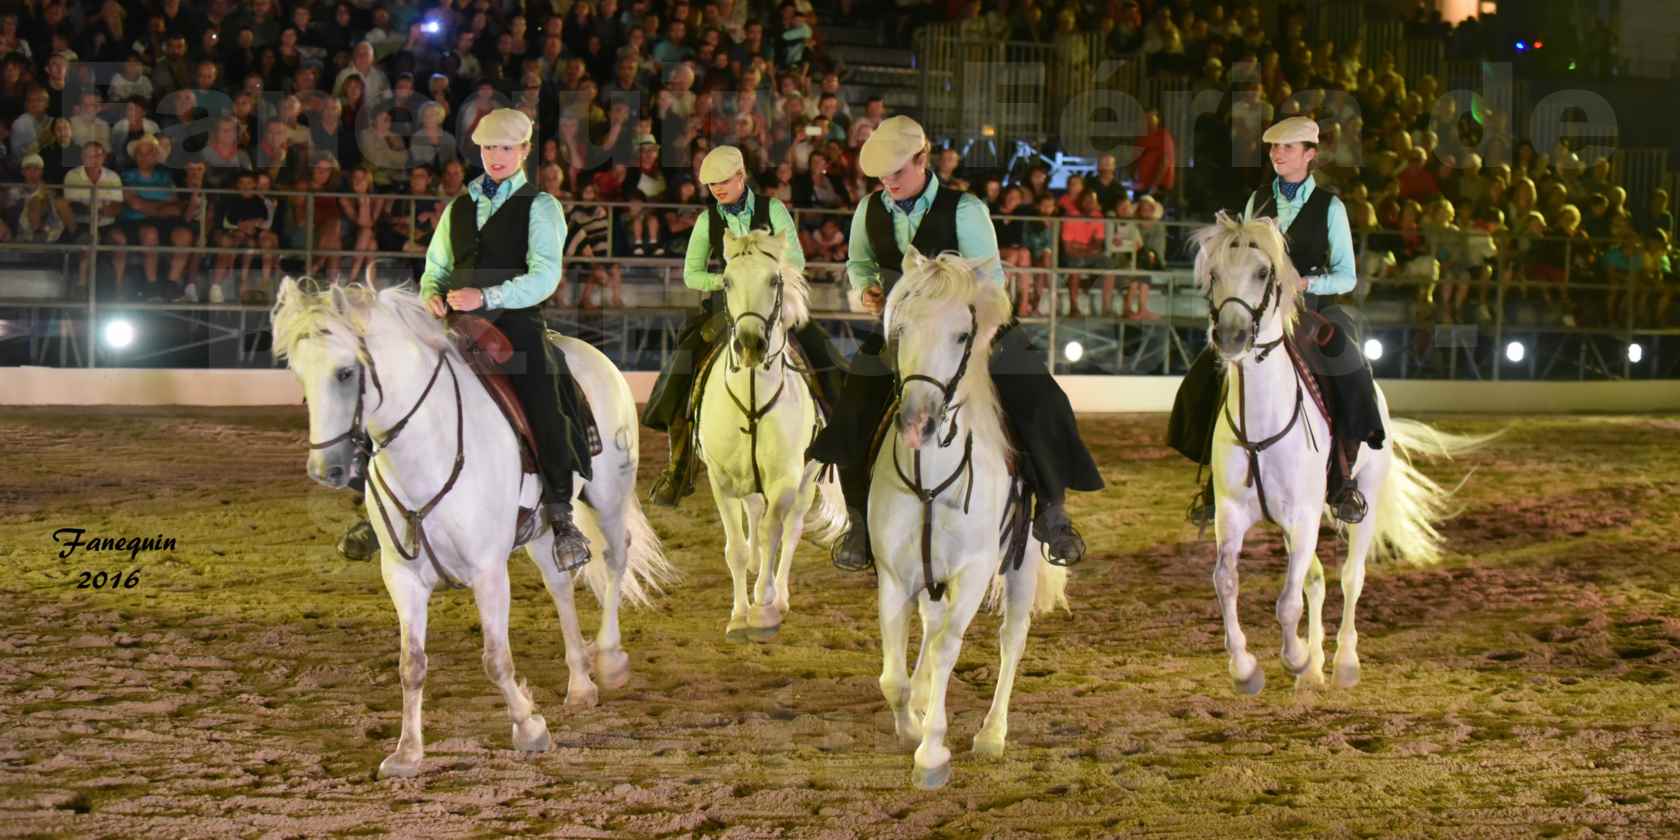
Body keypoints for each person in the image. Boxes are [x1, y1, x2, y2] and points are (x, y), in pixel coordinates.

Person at [810, 116, 1104, 570]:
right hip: (903, 332)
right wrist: (864, 289)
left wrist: (968, 328)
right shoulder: (869, 210)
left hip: (975, 326)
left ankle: (1052, 510)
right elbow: (858, 263)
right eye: (883, 175)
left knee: (1041, 398)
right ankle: (859, 521)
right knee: (853, 406)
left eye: (898, 171)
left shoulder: (965, 209)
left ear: (923, 160)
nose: (889, 181)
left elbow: (990, 281)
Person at [345, 108, 593, 571]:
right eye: (487, 148)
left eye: (505, 149)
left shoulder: (542, 207)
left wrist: (487, 295)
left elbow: (545, 277)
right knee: (390, 388)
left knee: (542, 395)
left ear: (523, 152)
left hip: (514, 322)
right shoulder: (460, 205)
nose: (495, 157)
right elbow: (437, 265)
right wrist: (432, 293)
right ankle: (373, 506)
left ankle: (562, 515)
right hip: (455, 322)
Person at [1169, 115, 1384, 528]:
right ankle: (1215, 477)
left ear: (1310, 155)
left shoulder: (1330, 207)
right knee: (1209, 372)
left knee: (1347, 362)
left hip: (1312, 307)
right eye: (1273, 148)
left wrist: (1306, 281)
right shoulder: (1257, 201)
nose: (1277, 155)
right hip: (1263, 310)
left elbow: (1348, 274)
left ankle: (1342, 478)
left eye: (1287, 148)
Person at [641, 144, 848, 506]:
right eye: (712, 185)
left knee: (823, 351)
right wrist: (727, 281)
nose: (718, 189)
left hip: (772, 302)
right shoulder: (708, 220)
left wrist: (763, 276)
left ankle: (840, 442)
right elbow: (692, 274)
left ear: (741, 177)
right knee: (684, 360)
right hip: (728, 304)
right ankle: (679, 464)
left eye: (724, 181)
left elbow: (795, 258)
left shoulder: (774, 209)